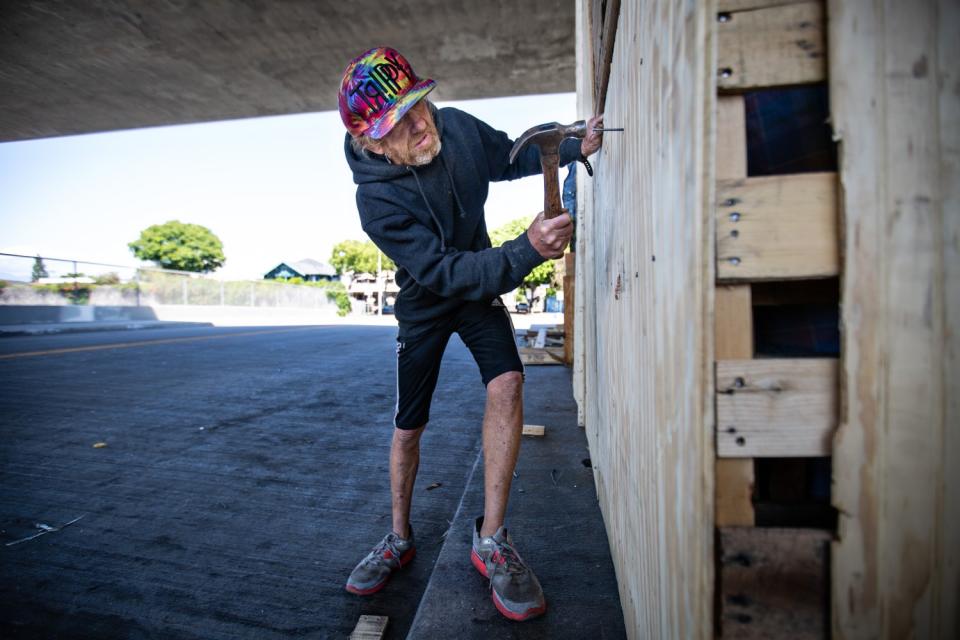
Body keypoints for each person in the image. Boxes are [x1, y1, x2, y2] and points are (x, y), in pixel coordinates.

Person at [338, 46, 603, 622]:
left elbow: (510, 157)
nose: (420, 125)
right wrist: (526, 250)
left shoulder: (453, 128)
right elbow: (441, 272)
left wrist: (580, 143)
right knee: (410, 424)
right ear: (374, 145)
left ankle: (493, 540)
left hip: (478, 288)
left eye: (419, 107)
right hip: (427, 301)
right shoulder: (376, 200)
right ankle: (399, 538)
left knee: (508, 382)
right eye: (400, 125)